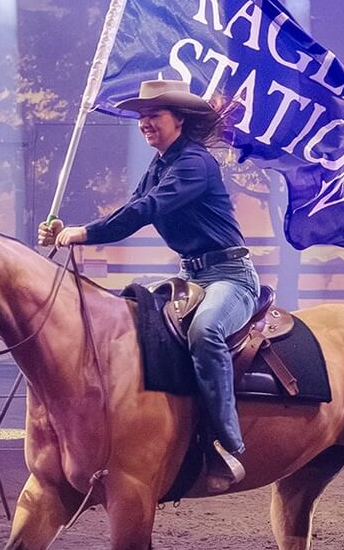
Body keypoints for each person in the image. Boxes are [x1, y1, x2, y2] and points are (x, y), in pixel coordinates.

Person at [39, 77, 259, 486]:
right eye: (141, 116)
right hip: (190, 276)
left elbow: (146, 209)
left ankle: (226, 445)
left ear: (178, 120)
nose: (144, 123)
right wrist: (70, 229)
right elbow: (132, 207)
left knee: (207, 330)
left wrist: (83, 233)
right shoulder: (160, 165)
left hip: (230, 276)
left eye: (153, 115)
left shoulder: (195, 163)